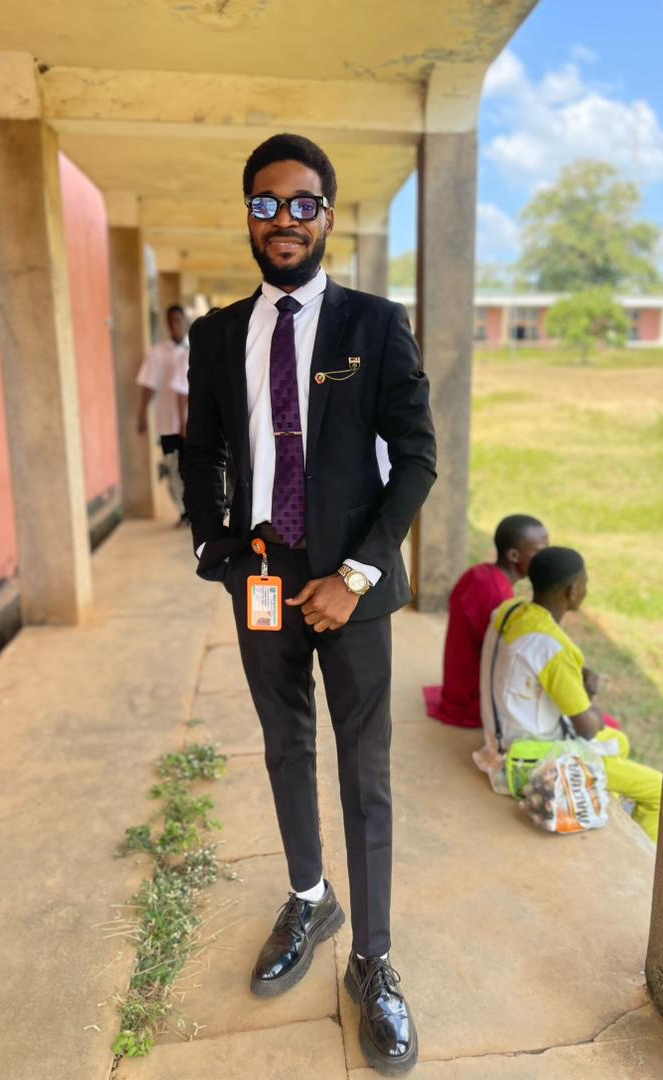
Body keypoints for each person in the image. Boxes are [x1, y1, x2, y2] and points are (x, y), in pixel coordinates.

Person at [183, 133, 435, 1075]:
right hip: (262, 577)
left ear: (326, 216)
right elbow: (201, 450)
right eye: (265, 203)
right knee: (284, 744)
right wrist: (213, 545)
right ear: (248, 215)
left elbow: (417, 458)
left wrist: (357, 573)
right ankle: (309, 897)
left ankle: (372, 958)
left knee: (363, 767)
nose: (282, 220)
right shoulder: (216, 335)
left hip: (351, 582)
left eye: (300, 204)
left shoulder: (375, 324)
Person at [478, 546, 663, 841]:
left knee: (619, 741)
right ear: (573, 591)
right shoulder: (553, 648)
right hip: (532, 763)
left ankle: (596, 803)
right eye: (585, 584)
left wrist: (572, 676)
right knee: (658, 790)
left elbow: (530, 667)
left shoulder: (509, 610)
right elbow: (587, 728)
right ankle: (642, 858)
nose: (586, 590)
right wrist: (588, 699)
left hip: (499, 742)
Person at [424, 514, 548, 728]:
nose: (546, 558)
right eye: (539, 551)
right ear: (514, 555)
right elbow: (510, 661)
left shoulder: (478, 573)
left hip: (457, 689)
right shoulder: (499, 597)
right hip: (472, 701)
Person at [136, 304, 190, 525]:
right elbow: (148, 386)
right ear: (167, 324)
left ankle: (194, 510)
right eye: (171, 321)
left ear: (184, 321)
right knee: (173, 468)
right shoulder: (157, 353)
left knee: (191, 467)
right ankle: (184, 512)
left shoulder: (195, 347)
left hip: (191, 423)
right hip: (167, 423)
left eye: (178, 320)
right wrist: (141, 414)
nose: (174, 324)